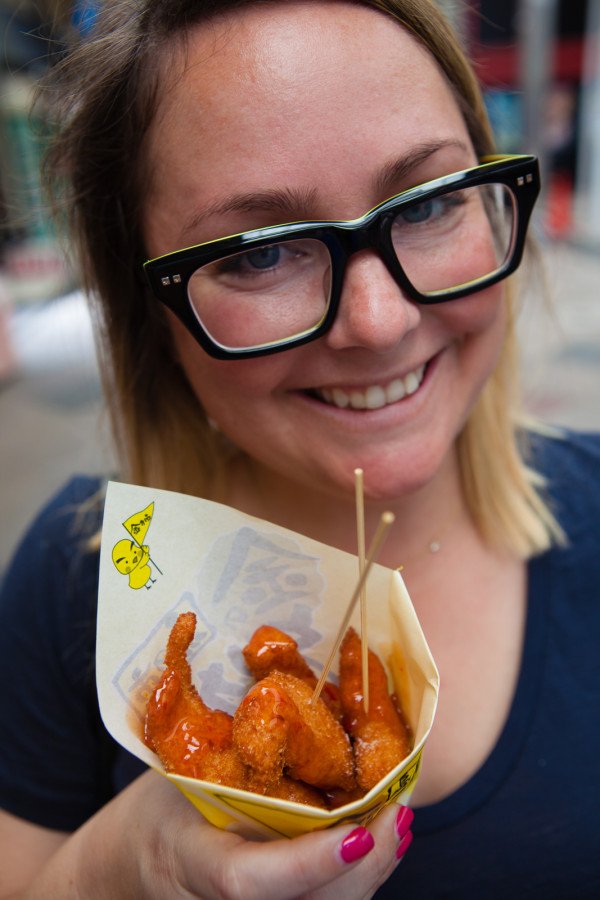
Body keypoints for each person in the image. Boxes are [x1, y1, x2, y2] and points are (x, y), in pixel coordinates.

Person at [0, 0, 598, 897]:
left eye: (429, 201)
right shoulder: (74, 580)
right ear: (149, 317)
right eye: (258, 255)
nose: (380, 320)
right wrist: (120, 868)